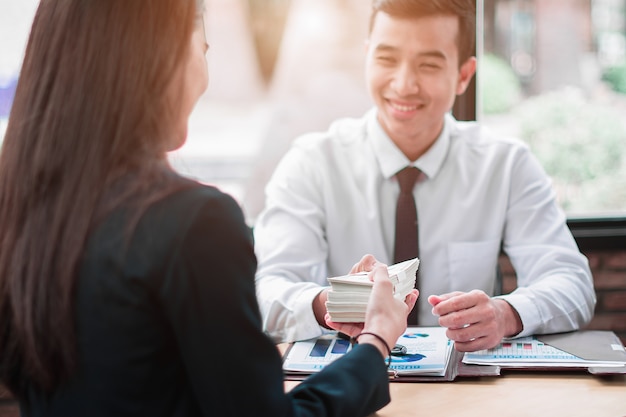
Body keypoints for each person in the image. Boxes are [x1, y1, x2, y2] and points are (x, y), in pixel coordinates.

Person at [0, 1, 418, 416]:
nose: (204, 73)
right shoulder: (194, 223)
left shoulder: (24, 206)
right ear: (159, 61)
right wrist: (375, 343)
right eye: (202, 46)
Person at [253, 0, 596, 352]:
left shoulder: (506, 165)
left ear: (463, 75)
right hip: (348, 385)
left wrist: (504, 314)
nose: (403, 84)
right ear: (367, 57)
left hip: (466, 394)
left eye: (428, 65)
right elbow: (266, 293)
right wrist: (336, 305)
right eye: (387, 59)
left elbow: (572, 284)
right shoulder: (311, 163)